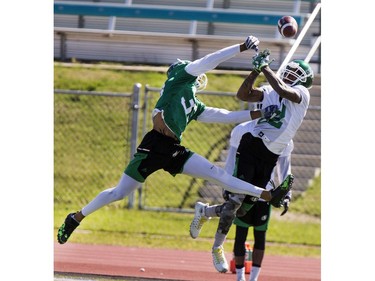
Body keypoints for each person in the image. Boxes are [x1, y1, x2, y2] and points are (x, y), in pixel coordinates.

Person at [57, 36, 286, 245]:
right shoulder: (180, 78)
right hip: (153, 145)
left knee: (219, 175)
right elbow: (209, 60)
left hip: (173, 149)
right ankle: (76, 217)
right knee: (119, 193)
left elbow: (225, 116)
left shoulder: (194, 104)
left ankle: (266, 194)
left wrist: (260, 113)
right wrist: (241, 47)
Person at [189, 49, 314, 274]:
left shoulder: (301, 93)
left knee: (245, 208)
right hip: (253, 144)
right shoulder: (270, 90)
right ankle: (217, 247)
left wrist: (266, 67)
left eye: (296, 73)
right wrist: (255, 71)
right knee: (237, 198)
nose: (290, 74)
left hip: (271, 154)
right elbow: (243, 95)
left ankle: (205, 212)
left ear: (304, 79)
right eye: (289, 70)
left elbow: (284, 90)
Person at [229, 122, 294, 281]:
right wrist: (228, 185)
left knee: (260, 235)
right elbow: (231, 160)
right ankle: (240, 277)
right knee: (240, 234)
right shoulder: (242, 129)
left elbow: (285, 168)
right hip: (244, 190)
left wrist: (287, 194)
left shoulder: (284, 137)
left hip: (265, 194)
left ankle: (254, 278)